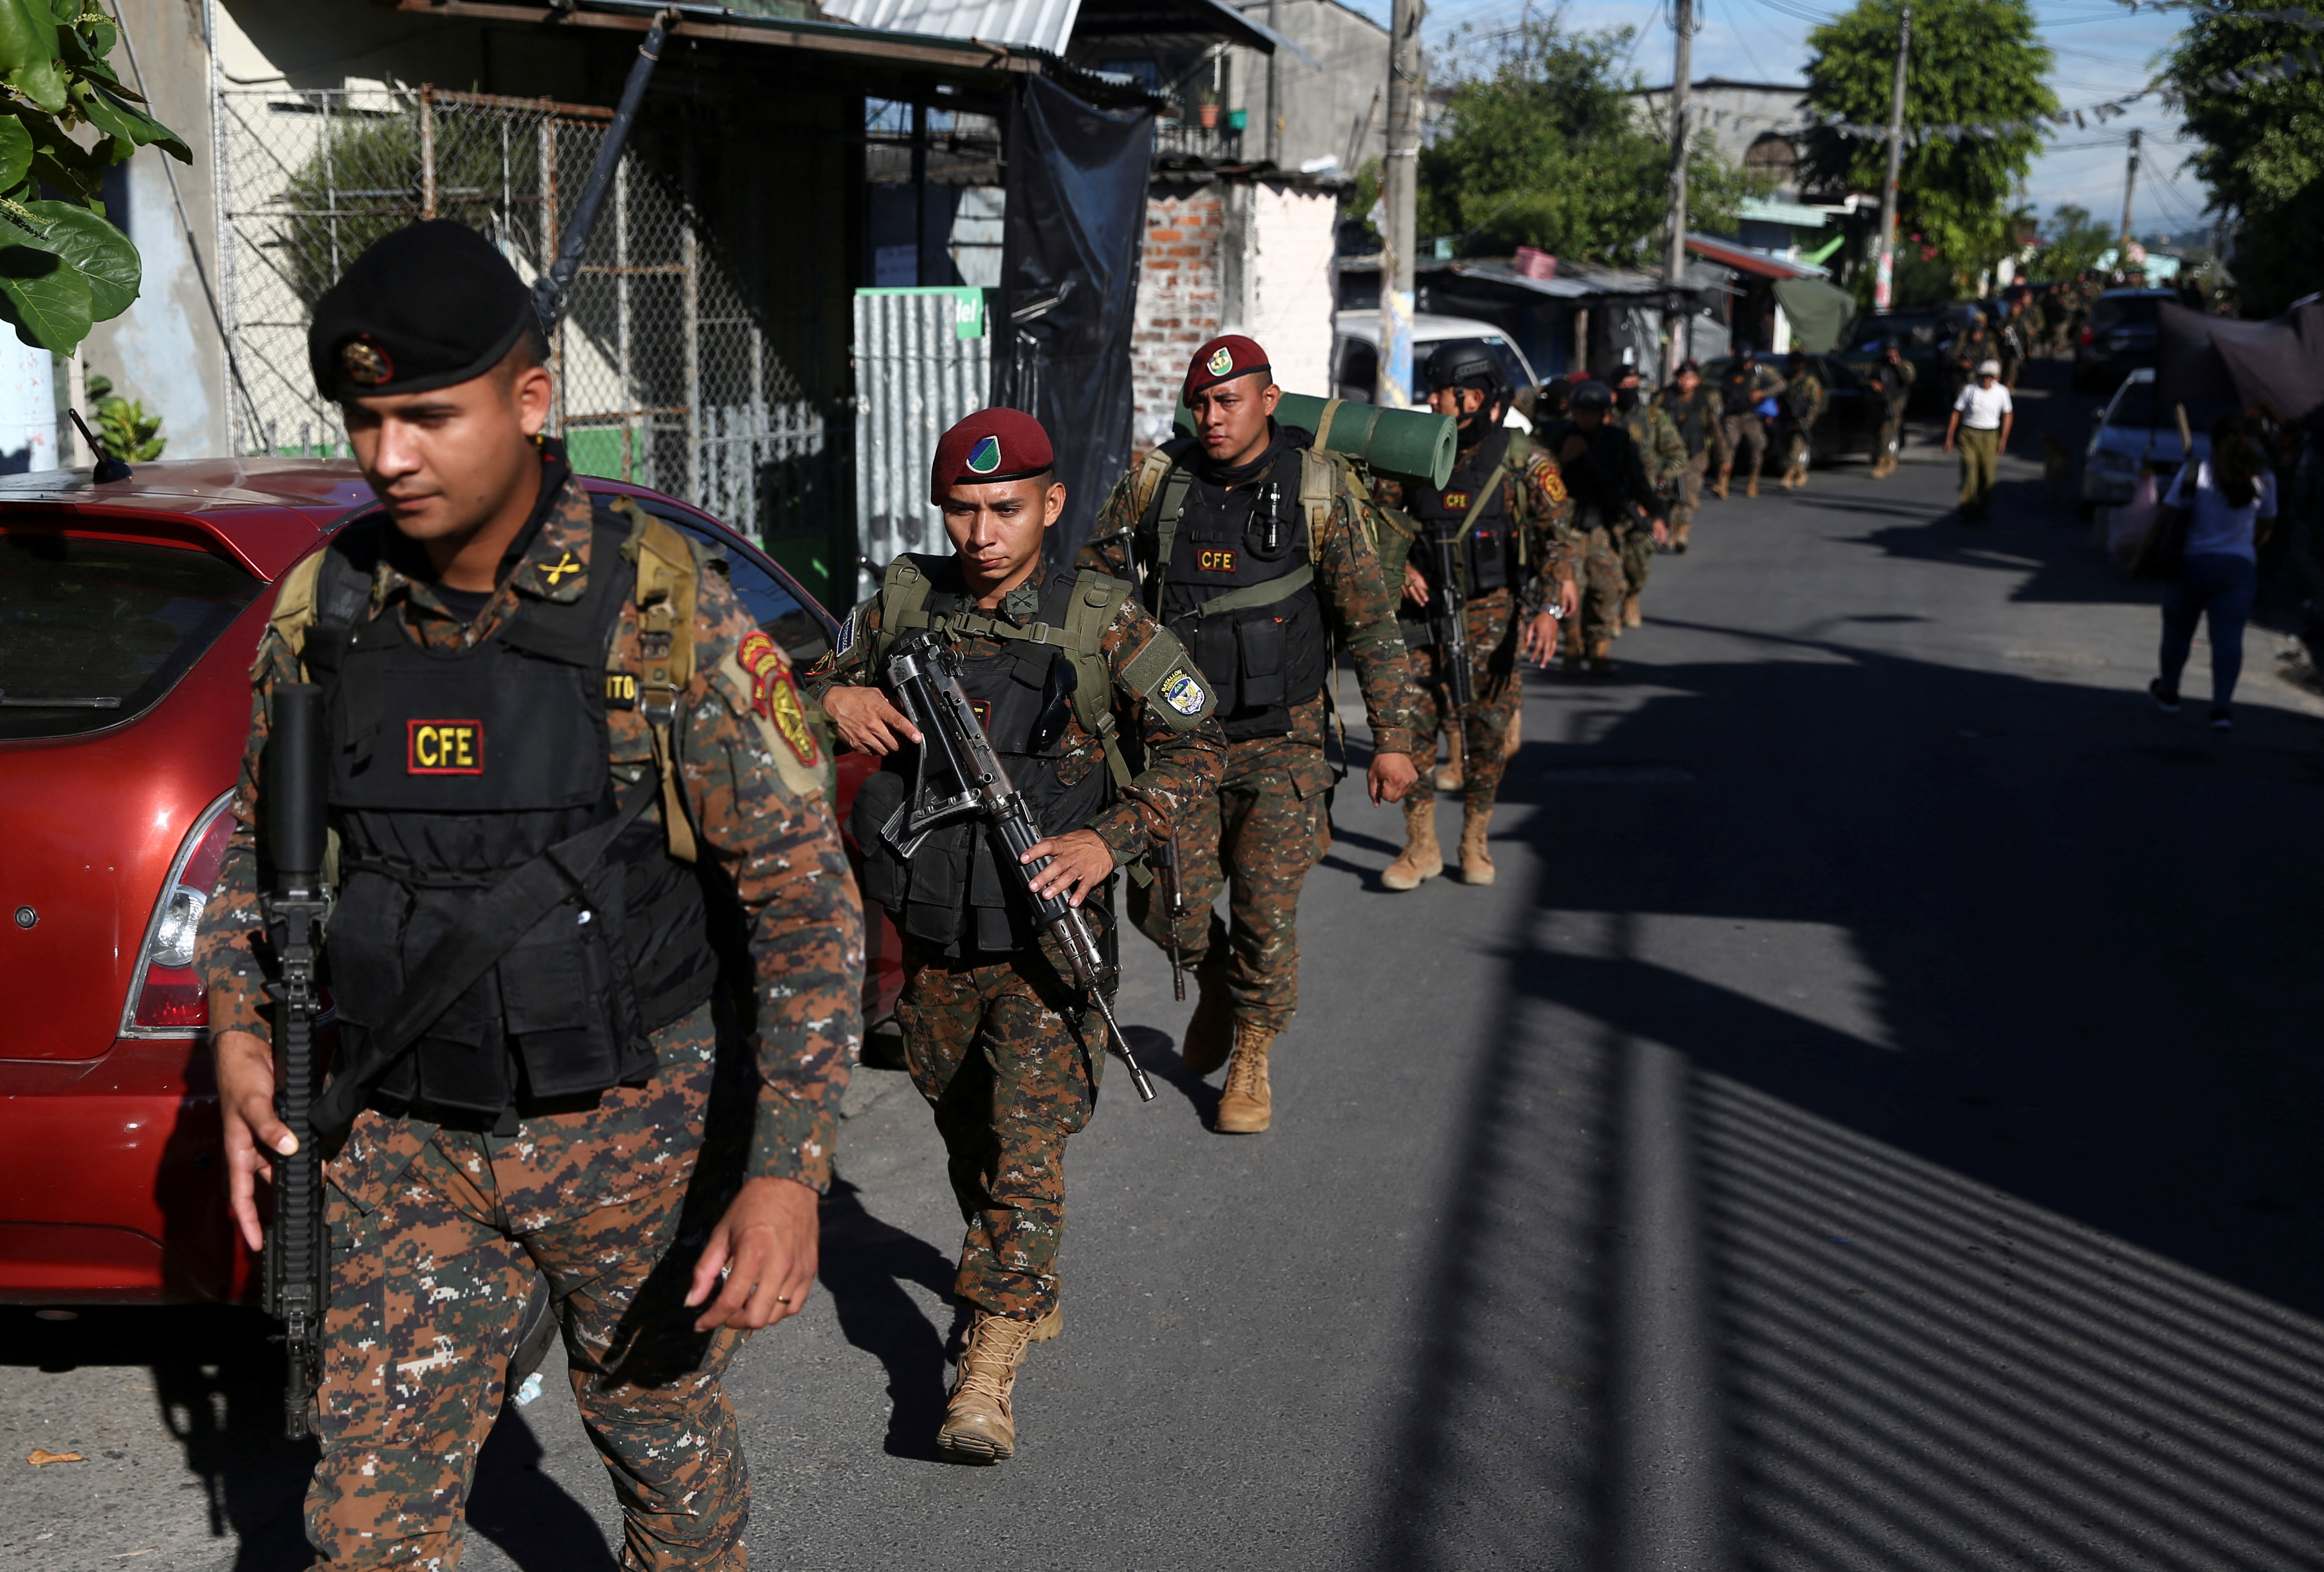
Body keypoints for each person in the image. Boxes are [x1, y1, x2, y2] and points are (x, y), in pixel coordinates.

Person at [193, 221, 862, 1569]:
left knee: (663, 1450)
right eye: (365, 418)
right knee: (363, 1523)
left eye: (428, 416)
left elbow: (802, 905)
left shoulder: (665, 616)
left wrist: (786, 1172)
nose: (388, 456)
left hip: (636, 1137)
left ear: (531, 398)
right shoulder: (325, 610)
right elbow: (261, 866)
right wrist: (236, 1035)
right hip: (400, 1137)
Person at [810, 409, 1224, 1458]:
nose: (981, 532)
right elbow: (792, 687)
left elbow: (1195, 747)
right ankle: (1010, 1270)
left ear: (1047, 506)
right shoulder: (907, 598)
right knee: (966, 1127)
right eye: (961, 509)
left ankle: (984, 1365)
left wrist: (1107, 838)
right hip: (939, 928)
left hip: (1045, 938)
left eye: (1003, 509)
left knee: (1026, 1149)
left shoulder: (1100, 617)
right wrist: (837, 697)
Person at [1081, 334, 1420, 1130]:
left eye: (1229, 401)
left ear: (1269, 401)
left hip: (1284, 741)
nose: (1213, 416)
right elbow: (1092, 595)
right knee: (1166, 908)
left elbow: (1370, 624)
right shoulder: (1157, 482)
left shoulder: (1318, 491)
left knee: (1268, 912)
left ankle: (1253, 1055)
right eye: (1201, 401)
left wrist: (1396, 737)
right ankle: (1213, 985)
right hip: (1176, 744)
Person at [1371, 341, 1577, 883]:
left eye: (1442, 390)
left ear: (1475, 396)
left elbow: (1558, 540)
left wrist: (1549, 610)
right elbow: (1376, 522)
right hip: (1419, 617)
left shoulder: (1522, 460)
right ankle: (1419, 846)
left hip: (1492, 616)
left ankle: (1475, 837)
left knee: (1486, 735)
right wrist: (1401, 571)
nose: (1433, 400)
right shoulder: (1412, 451)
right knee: (1411, 731)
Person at [2149, 414, 2279, 730]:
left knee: (2178, 632)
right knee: (2228, 639)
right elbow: (2267, 523)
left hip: (2191, 564)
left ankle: (2169, 691)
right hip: (2237, 568)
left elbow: (2165, 517)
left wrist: (2143, 556)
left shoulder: (2197, 472)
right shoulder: (2263, 478)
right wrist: (2248, 550)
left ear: (2214, 442)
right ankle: (2222, 708)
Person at [1541, 380, 1663, 673]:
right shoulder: (1557, 437)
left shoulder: (1618, 441)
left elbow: (1637, 481)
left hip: (1603, 527)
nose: (1587, 419)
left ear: (1605, 414)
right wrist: (1563, 460)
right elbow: (1539, 480)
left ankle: (1600, 653)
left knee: (1608, 588)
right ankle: (1572, 648)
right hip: (1566, 526)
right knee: (1571, 591)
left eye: (1594, 413)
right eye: (1582, 413)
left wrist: (1658, 514)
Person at [1614, 366, 1688, 624]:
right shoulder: (1602, 419)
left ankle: (1631, 597)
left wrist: (1661, 483)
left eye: (1634, 385)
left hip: (1645, 502)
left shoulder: (1654, 418)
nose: (1629, 392)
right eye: (1624, 386)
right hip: (1611, 502)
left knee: (1638, 565)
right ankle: (1608, 612)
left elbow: (1678, 454)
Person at [1654, 358, 1717, 550]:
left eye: (1689, 378)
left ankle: (1681, 534)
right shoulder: (1663, 397)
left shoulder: (1707, 397)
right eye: (1681, 378)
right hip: (1669, 455)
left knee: (1688, 493)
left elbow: (1715, 427)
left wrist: (1724, 459)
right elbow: (1651, 422)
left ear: (1697, 380)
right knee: (1670, 493)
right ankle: (1671, 529)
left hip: (1696, 454)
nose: (1685, 382)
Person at [1943, 358, 2013, 521]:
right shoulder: (1970, 390)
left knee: (1987, 475)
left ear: (1997, 377)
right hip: (1969, 434)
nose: (1986, 379)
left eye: (1990, 376)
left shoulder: (2002, 392)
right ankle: (1967, 509)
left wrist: (2003, 439)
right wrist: (1950, 437)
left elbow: (2008, 415)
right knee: (1970, 468)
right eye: (1984, 376)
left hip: (1990, 435)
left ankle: (1982, 508)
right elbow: (1956, 412)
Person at [1713, 345, 1785, 498]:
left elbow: (1781, 384)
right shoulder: (1729, 372)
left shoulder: (1760, 371)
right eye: (1743, 362)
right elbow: (1718, 391)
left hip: (1751, 416)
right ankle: (1723, 483)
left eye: (1748, 362)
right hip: (1732, 416)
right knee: (1728, 447)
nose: (1745, 365)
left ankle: (1753, 481)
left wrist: (1763, 393)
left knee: (1757, 447)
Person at [1776, 350, 1826, 490]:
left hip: (1802, 420)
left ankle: (1789, 476)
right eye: (1792, 364)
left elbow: (1816, 404)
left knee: (1795, 449)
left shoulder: (1810, 382)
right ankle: (1801, 473)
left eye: (1797, 364)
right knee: (1785, 449)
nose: (1794, 367)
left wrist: (1807, 421)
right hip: (1786, 420)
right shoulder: (1785, 380)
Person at [1868, 338, 1916, 479]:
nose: (1891, 354)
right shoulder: (1878, 365)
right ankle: (1888, 458)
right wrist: (1873, 383)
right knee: (1882, 431)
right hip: (1881, 400)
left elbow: (1910, 378)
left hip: (1897, 400)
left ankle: (1883, 462)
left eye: (1894, 351)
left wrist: (1899, 365)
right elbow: (1867, 378)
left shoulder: (1905, 364)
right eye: (1889, 352)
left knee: (1887, 429)